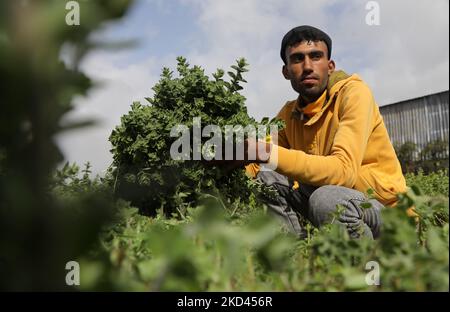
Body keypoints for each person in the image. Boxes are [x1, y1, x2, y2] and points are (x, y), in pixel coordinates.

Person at [227, 25, 407, 239]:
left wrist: (262, 151)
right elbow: (257, 163)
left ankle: (367, 268)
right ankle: (294, 260)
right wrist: (220, 159)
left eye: (316, 56)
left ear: (330, 66)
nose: (308, 66)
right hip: (332, 202)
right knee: (267, 178)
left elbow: (344, 172)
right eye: (297, 59)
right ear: (286, 71)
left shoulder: (354, 94)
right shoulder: (288, 115)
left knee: (326, 199)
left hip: (386, 212)